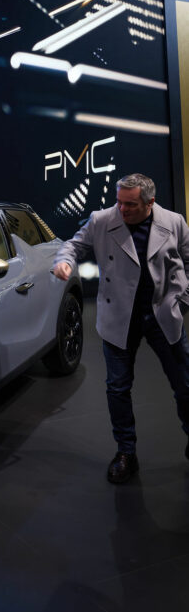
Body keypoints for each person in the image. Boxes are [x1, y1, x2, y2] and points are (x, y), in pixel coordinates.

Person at [53, 173, 189, 485]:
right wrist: (64, 262)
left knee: (184, 385)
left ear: (150, 203)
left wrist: (183, 301)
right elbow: (73, 245)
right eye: (119, 202)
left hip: (163, 313)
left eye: (130, 205)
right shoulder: (102, 220)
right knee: (117, 388)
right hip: (119, 316)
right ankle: (126, 452)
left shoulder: (174, 222)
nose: (122, 210)